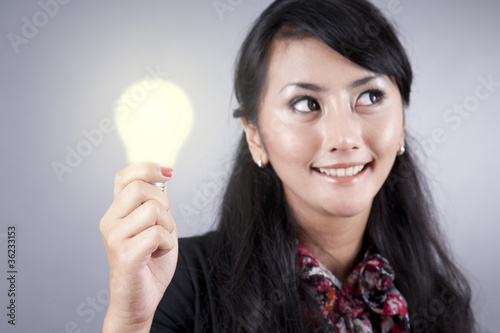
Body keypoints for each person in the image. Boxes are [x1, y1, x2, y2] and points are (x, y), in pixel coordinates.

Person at [100, 0, 475, 332]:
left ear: (402, 121)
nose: (343, 138)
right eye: (305, 104)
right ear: (255, 136)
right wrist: (130, 320)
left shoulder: (437, 298)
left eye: (370, 96)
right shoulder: (178, 283)